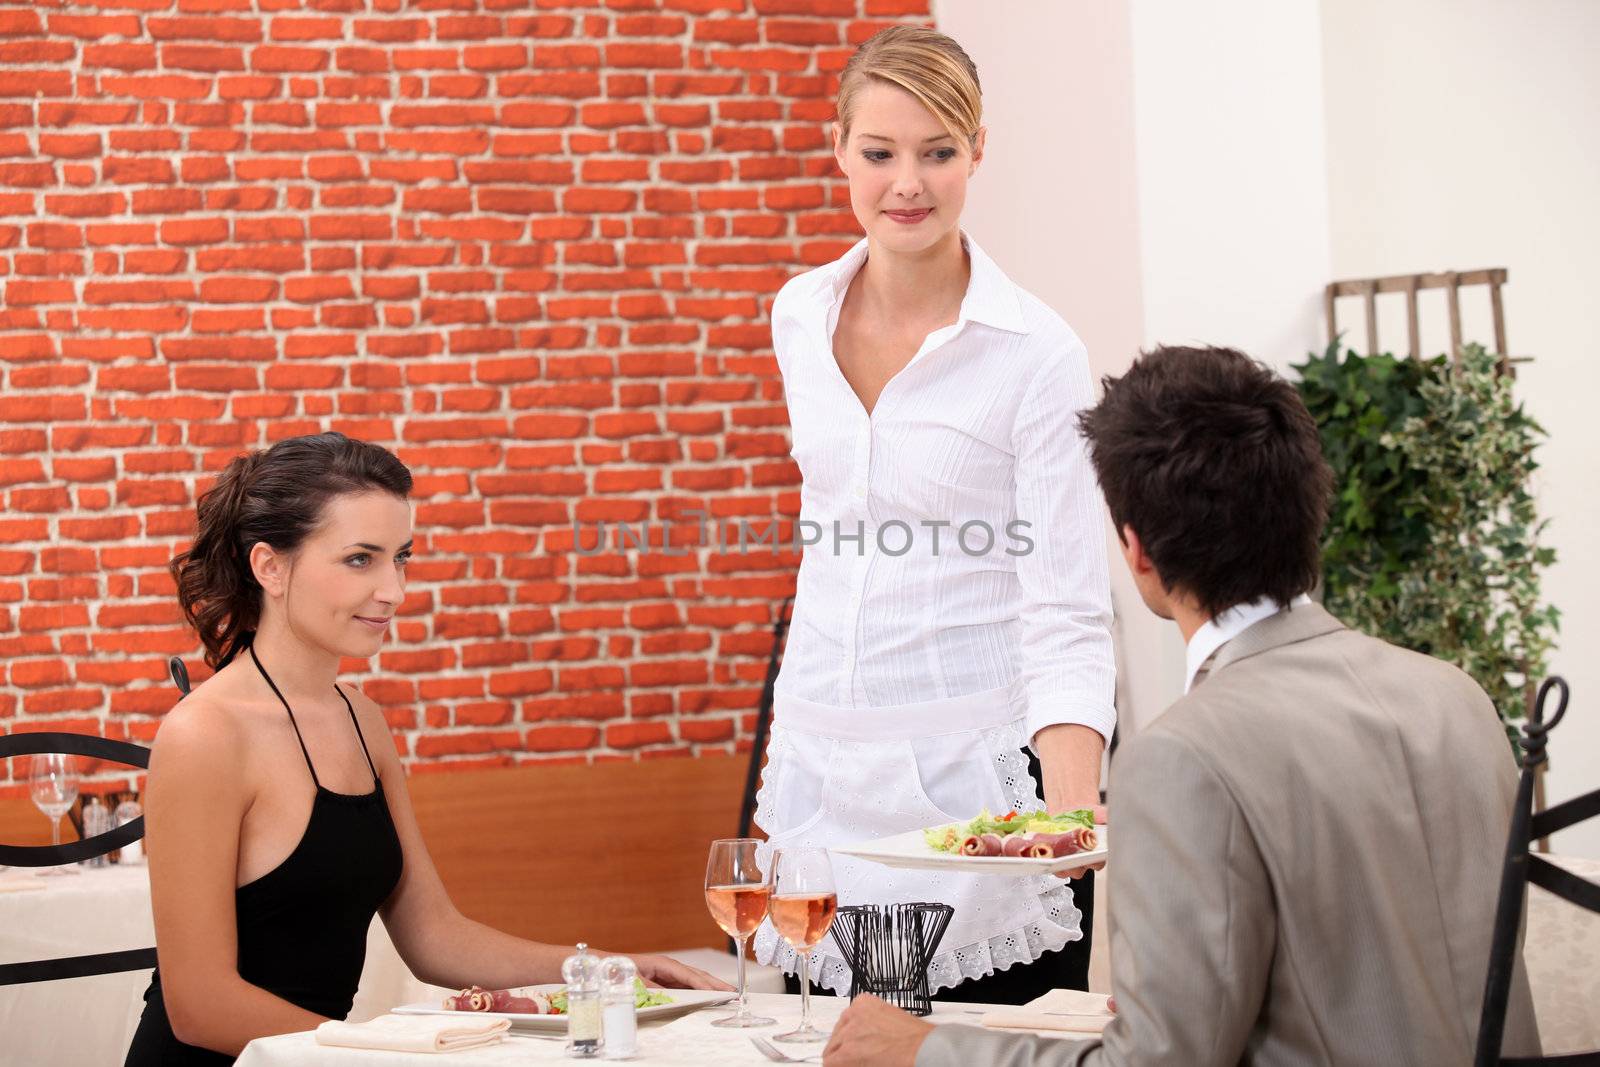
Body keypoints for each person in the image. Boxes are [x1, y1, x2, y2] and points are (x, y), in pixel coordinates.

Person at [822, 346, 1541, 1065]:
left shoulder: (1180, 757)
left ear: (1136, 549)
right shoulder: (1454, 694)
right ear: (1306, 506)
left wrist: (930, 1049)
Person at [125, 433, 725, 1065]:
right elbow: (199, 1006)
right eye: (361, 559)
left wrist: (609, 969)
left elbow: (433, 936)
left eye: (400, 557)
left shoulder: (362, 721)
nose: (393, 589)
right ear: (270, 567)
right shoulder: (204, 736)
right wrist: (386, 1052)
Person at [755, 25, 1115, 1005]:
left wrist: (1075, 796)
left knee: (984, 1046)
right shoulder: (797, 315)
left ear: (977, 152)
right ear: (839, 150)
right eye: (879, 153)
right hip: (823, 768)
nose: (905, 182)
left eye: (937, 152)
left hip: (976, 781)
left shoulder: (1035, 352)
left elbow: (1065, 596)